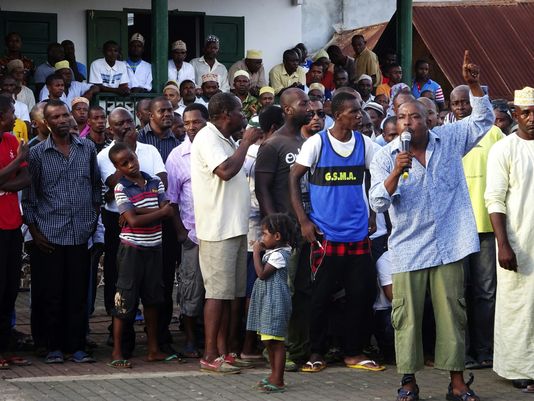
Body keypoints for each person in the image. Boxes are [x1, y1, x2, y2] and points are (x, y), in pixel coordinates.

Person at [369, 51, 492, 401]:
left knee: (453, 313)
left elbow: (482, 121)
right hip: (408, 248)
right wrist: (396, 173)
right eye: (402, 117)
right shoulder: (385, 156)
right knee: (405, 316)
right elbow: (377, 203)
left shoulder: (451, 139)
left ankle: (457, 383)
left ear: (431, 119)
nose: (408, 123)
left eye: (415, 117)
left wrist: (471, 84)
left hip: (450, 243)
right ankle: (408, 382)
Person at [289, 91, 381, 373]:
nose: (360, 116)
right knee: (320, 297)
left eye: (360, 112)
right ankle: (316, 352)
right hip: (325, 236)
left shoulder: (366, 144)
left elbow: (376, 178)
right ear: (338, 114)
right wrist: (304, 220)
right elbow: (293, 178)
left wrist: (373, 214)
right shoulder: (316, 143)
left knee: (360, 295)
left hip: (357, 235)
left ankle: (353, 352)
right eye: (354, 112)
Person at [22, 99, 101, 364]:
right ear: (46, 123)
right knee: (52, 294)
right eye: (55, 117)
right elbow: (30, 197)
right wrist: (34, 230)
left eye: (65, 114)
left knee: (77, 294)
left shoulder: (87, 148)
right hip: (49, 235)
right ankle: (53, 346)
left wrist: (92, 220)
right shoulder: (36, 154)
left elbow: (95, 187)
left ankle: (76, 346)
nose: (63, 120)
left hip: (80, 232)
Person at [190, 92, 262, 373]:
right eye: (240, 112)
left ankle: (225, 352)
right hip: (217, 228)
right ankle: (210, 355)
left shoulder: (225, 139)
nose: (244, 117)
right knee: (217, 294)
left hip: (234, 227)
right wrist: (246, 143)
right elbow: (225, 171)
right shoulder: (207, 138)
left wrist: (240, 143)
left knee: (231, 295)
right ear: (224, 115)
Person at [97, 108, 166, 355]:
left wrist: (142, 215)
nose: (125, 126)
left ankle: (153, 346)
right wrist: (126, 149)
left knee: (152, 293)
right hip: (123, 227)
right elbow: (114, 185)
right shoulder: (105, 155)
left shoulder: (150, 151)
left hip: (152, 238)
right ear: (111, 128)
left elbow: (162, 188)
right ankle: (120, 346)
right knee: (123, 289)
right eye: (119, 124)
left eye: (129, 122)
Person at [451, 83, 504, 371]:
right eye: (455, 103)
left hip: (485, 227)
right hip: (456, 227)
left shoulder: (493, 133)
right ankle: (464, 352)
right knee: (459, 291)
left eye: (465, 102)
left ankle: (485, 351)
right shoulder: (445, 136)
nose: (460, 108)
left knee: (485, 291)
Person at [485, 86, 534, 394]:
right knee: (518, 305)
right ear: (516, 114)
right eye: (526, 112)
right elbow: (494, 199)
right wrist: (503, 243)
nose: (532, 118)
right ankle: (520, 368)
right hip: (518, 242)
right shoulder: (504, 149)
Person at [108, 143, 175, 368]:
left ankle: (153, 349)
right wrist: (154, 212)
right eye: (124, 164)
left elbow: (167, 209)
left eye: (132, 159)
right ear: (117, 167)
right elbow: (135, 221)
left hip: (154, 247)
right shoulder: (121, 187)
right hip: (132, 250)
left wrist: (136, 210)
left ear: (136, 156)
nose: (131, 165)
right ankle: (118, 351)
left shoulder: (155, 181)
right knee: (125, 299)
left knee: (153, 299)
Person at [137, 97, 182, 355]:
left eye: (169, 110)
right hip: (146, 218)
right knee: (149, 280)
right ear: (149, 115)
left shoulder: (176, 143)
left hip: (173, 220)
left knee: (167, 277)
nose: (167, 114)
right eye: (161, 110)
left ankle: (163, 334)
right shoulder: (140, 143)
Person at [165, 103, 209, 358]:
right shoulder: (177, 156)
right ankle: (191, 340)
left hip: (218, 232)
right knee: (191, 288)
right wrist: (182, 233)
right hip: (192, 235)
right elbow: (171, 201)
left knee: (216, 290)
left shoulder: (222, 149)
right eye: (187, 123)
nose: (191, 127)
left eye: (197, 122)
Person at [247, 213, 295, 393]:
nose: (262, 238)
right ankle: (274, 374)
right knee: (268, 339)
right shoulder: (273, 252)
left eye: (265, 234)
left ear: (277, 236)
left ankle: (279, 379)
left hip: (276, 302)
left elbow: (262, 274)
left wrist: (256, 254)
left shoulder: (280, 255)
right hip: (268, 301)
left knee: (276, 342)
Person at [0, 96, 30, 370]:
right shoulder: (15, 148)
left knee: (10, 291)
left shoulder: (12, 141)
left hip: (12, 225)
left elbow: (26, 177)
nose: (15, 117)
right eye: (11, 112)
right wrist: (17, 162)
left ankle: (6, 349)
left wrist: (6, 181)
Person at [255, 88, 311, 217]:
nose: (309, 108)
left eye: (309, 103)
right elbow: (262, 190)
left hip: (308, 220)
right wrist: (276, 224)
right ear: (288, 110)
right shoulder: (272, 144)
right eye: (303, 104)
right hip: (285, 223)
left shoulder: (308, 142)